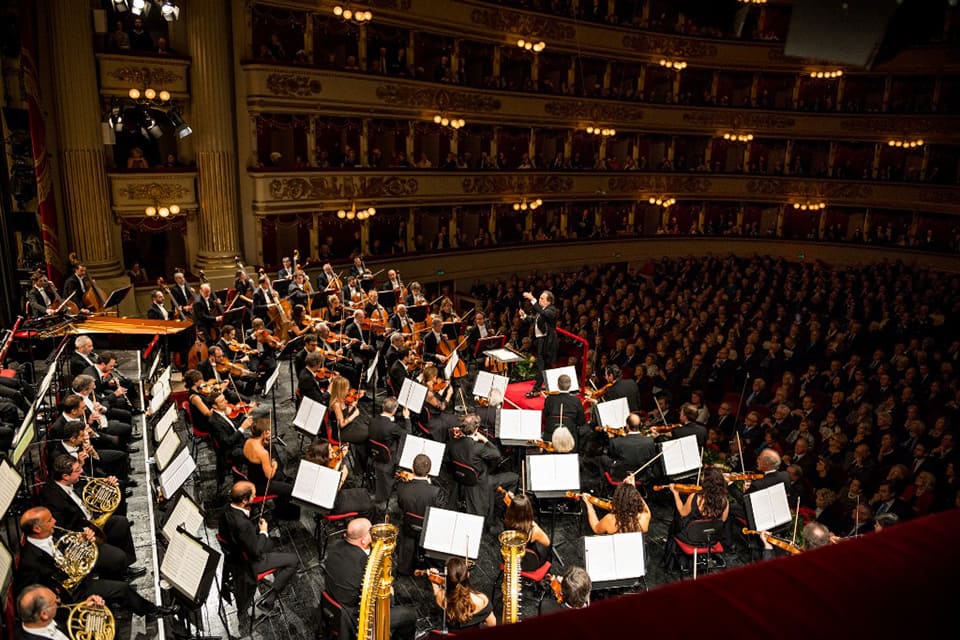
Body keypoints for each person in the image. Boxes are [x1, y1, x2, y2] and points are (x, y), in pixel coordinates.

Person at [16, 508, 175, 620]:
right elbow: (28, 596)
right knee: (122, 589)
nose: (54, 521)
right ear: (37, 528)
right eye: (50, 520)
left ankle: (116, 600)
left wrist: (83, 540)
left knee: (114, 559)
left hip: (80, 572)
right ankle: (151, 611)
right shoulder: (30, 561)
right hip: (72, 593)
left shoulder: (53, 532)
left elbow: (67, 544)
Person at [39, 455, 141, 578]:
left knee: (121, 522)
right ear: (65, 476)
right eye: (77, 470)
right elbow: (60, 529)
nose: (81, 471)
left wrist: (107, 483)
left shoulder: (73, 480)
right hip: (82, 536)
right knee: (117, 557)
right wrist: (84, 533)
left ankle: (125, 568)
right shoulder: (53, 498)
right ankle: (116, 575)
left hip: (92, 521)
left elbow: (90, 488)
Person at [322, 518, 417, 640]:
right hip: (355, 617)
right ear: (364, 540)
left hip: (334, 601)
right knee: (410, 614)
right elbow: (382, 602)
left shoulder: (334, 546)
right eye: (371, 532)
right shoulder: (365, 567)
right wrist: (391, 595)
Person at [217, 481, 298, 612]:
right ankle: (269, 601)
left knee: (271, 542)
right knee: (293, 560)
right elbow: (256, 552)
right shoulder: (243, 525)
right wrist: (263, 531)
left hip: (234, 554)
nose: (255, 498)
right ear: (244, 500)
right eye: (253, 496)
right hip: (248, 564)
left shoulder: (226, 509)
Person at [446, 414, 518, 518]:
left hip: (461, 477)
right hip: (481, 482)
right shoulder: (478, 447)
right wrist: (484, 439)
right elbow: (496, 454)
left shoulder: (453, 442)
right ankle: (504, 507)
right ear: (476, 429)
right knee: (514, 478)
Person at [396, 454, 444, 575]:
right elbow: (439, 512)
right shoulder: (435, 491)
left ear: (412, 468)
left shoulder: (402, 487)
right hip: (428, 530)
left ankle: (405, 568)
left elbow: (401, 506)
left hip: (409, 527)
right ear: (429, 471)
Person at [242, 419, 299, 520]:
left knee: (282, 480)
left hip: (252, 477)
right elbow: (269, 476)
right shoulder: (263, 453)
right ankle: (284, 514)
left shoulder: (248, 441)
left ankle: (281, 502)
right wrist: (274, 465)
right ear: (265, 433)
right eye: (269, 430)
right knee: (290, 489)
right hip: (261, 485)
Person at [303, 439, 375, 518]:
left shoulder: (311, 466)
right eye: (330, 450)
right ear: (323, 455)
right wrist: (342, 478)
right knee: (368, 504)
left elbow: (331, 472)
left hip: (320, 499)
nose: (333, 452)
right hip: (331, 504)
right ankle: (362, 525)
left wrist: (340, 459)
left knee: (364, 493)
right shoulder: (321, 474)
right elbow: (331, 494)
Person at [427, 557, 496, 630]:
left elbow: (437, 592)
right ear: (468, 575)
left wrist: (433, 579)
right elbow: (492, 624)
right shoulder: (481, 600)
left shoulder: (441, 597)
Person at [17, 584, 107, 640]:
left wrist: (86, 607)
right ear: (44, 615)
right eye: (55, 602)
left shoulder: (49, 615)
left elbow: (70, 617)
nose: (59, 602)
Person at [367, 396, 409, 505]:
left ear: (383, 407)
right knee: (403, 442)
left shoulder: (372, 420)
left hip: (374, 452)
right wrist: (407, 418)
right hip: (388, 455)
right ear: (394, 410)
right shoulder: (392, 427)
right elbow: (408, 434)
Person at [520, 290, 558, 397]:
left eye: (542, 298)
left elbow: (543, 314)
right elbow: (534, 320)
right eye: (539, 298)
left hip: (549, 342)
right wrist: (524, 316)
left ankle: (537, 389)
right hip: (541, 341)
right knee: (543, 365)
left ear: (549, 301)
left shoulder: (551, 310)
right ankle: (545, 388)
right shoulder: (542, 310)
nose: (540, 299)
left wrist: (532, 299)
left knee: (544, 365)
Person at [583, 475, 650, 534]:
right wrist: (632, 488)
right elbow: (643, 506)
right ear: (636, 500)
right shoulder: (644, 517)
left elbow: (596, 529)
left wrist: (589, 505)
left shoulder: (610, 519)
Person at [600, 412, 657, 481]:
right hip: (642, 475)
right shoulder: (649, 441)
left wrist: (611, 438)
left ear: (627, 425)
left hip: (621, 475)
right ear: (640, 425)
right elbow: (652, 460)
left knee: (602, 457)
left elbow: (613, 457)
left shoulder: (616, 441)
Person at [502, 492, 551, 571]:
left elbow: (514, 509)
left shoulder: (507, 521)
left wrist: (514, 502)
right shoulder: (533, 529)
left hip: (511, 556)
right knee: (547, 551)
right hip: (528, 562)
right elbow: (547, 542)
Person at [542, 374, 586, 442]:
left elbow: (545, 416)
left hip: (551, 434)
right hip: (569, 435)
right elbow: (581, 421)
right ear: (570, 386)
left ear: (557, 385)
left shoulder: (549, 399)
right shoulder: (576, 401)